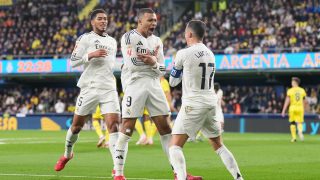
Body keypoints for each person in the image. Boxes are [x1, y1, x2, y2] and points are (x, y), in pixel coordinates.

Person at [114, 8, 200, 180]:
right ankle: (118, 173)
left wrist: (152, 61)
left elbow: (163, 68)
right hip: (135, 83)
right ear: (139, 21)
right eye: (150, 20)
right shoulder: (129, 37)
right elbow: (133, 64)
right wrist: (154, 64)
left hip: (154, 84)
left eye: (155, 20)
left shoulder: (157, 41)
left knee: (166, 129)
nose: (154, 23)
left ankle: (179, 173)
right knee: (127, 129)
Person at [168, 20, 243, 180]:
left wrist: (176, 67)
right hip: (210, 103)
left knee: (174, 146)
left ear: (189, 34)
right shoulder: (211, 53)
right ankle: (238, 178)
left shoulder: (183, 53)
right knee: (219, 146)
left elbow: (173, 82)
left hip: (193, 104)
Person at [54, 9, 121, 174]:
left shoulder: (113, 41)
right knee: (76, 126)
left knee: (113, 126)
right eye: (100, 19)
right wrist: (90, 55)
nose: (104, 21)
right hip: (90, 87)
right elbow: (73, 62)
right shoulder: (85, 39)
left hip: (109, 88)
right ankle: (67, 154)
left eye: (105, 19)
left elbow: (110, 64)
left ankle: (117, 170)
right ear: (92, 22)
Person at [281, 77, 307, 142]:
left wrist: (283, 110)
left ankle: (294, 138)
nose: (291, 83)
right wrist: (303, 108)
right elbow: (304, 101)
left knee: (292, 122)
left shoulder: (290, 90)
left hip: (292, 108)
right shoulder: (302, 90)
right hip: (300, 108)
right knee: (300, 122)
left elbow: (287, 100)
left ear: (295, 83)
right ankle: (300, 131)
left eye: (292, 82)